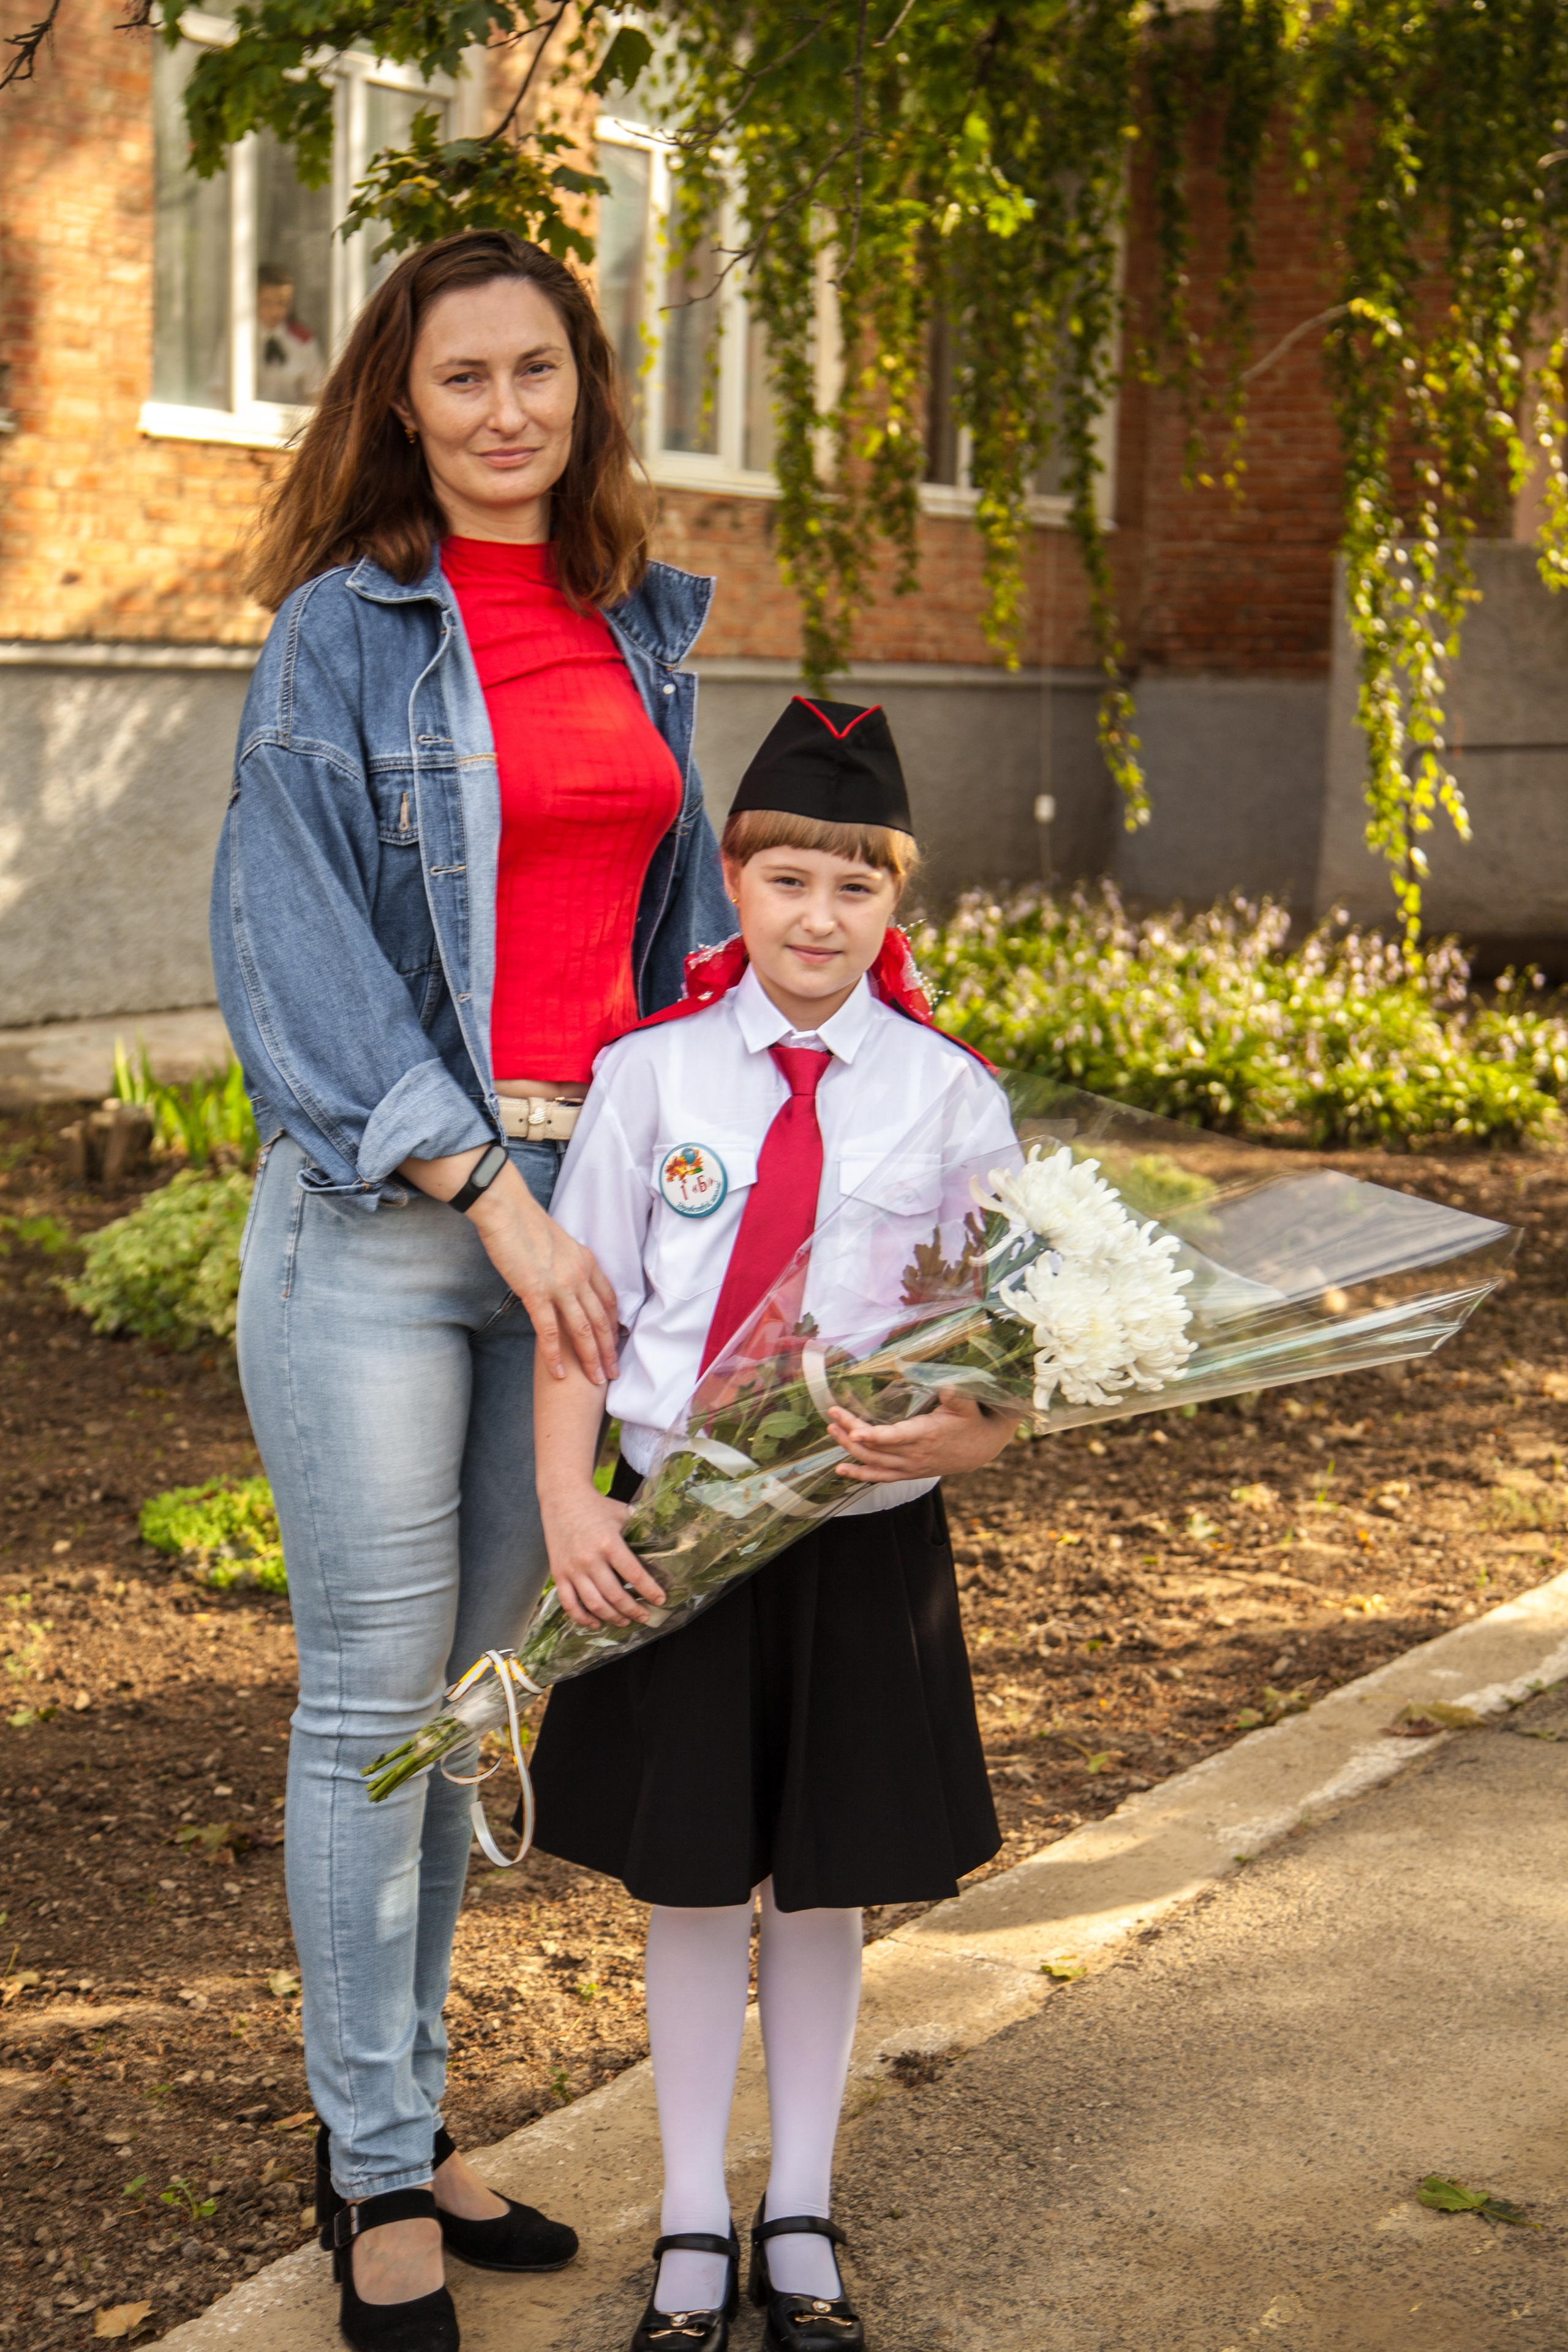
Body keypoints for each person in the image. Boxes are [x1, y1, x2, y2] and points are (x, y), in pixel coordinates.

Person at [211, 228, 730, 2352]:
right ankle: (366, 2167)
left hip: (580, 1221)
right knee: (371, 1704)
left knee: (465, 1707)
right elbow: (292, 944)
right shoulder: (341, 632)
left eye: (539, 369)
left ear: (585, 389)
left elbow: (677, 942)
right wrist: (492, 1192)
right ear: (401, 406)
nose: (507, 410)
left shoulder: (644, 624)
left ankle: (410, 2126)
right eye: (463, 378)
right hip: (385, 1222)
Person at [525, 696, 1020, 2352]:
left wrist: (962, 1434)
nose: (818, 916)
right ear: (732, 882)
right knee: (688, 1880)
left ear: (897, 901)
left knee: (820, 1884)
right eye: (787, 878)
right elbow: (581, 1324)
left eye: (854, 885)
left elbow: (1005, 1362)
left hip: (857, 1533)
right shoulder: (649, 1074)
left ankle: (797, 2211)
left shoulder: (950, 1095)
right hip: (674, 1526)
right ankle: (689, 2216)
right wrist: (568, 1507)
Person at [255, 263, 326, 404]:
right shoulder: (238, 339)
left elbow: (315, 393)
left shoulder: (303, 341)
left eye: (283, 304)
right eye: (267, 303)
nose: (276, 312)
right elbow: (220, 389)